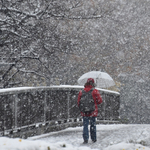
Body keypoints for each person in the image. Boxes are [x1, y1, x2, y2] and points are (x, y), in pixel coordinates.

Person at [77, 78, 102, 144]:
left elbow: (78, 102)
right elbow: (100, 101)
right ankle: (93, 138)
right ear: (93, 83)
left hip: (84, 111)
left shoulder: (81, 91)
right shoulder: (95, 91)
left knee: (85, 125)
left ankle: (85, 138)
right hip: (93, 111)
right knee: (93, 124)